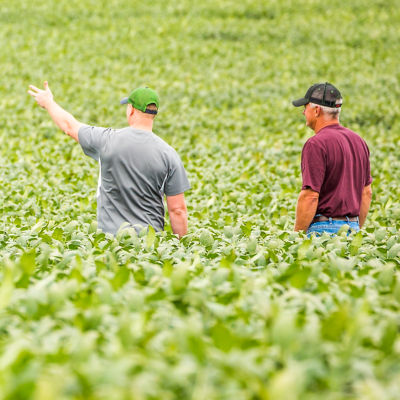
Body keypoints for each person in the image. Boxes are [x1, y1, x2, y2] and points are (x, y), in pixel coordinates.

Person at [28, 82, 190, 237]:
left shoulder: (107, 140)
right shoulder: (169, 154)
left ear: (131, 110)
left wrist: (48, 103)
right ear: (154, 114)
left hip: (111, 243)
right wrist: (180, 247)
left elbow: (69, 126)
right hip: (150, 244)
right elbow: (178, 210)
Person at [292, 82, 372, 235]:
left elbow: (310, 196)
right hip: (353, 228)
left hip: (323, 231)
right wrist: (354, 230)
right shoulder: (359, 141)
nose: (303, 113)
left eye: (305, 107)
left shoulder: (316, 144)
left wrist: (296, 239)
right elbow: (366, 192)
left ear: (316, 110)